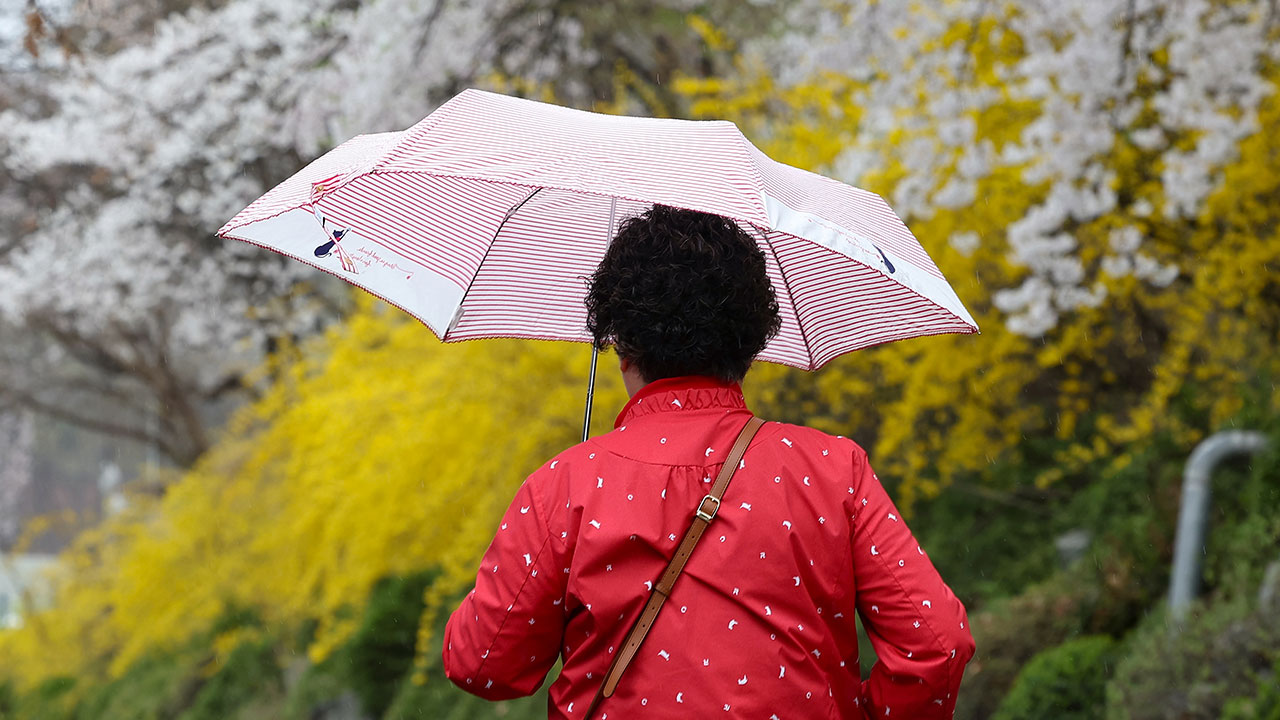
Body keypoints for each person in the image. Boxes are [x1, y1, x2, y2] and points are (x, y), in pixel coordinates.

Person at [443, 205, 976, 718]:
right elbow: (937, 645)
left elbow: (482, 664)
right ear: (751, 344)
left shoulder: (564, 486)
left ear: (622, 347)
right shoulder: (833, 468)